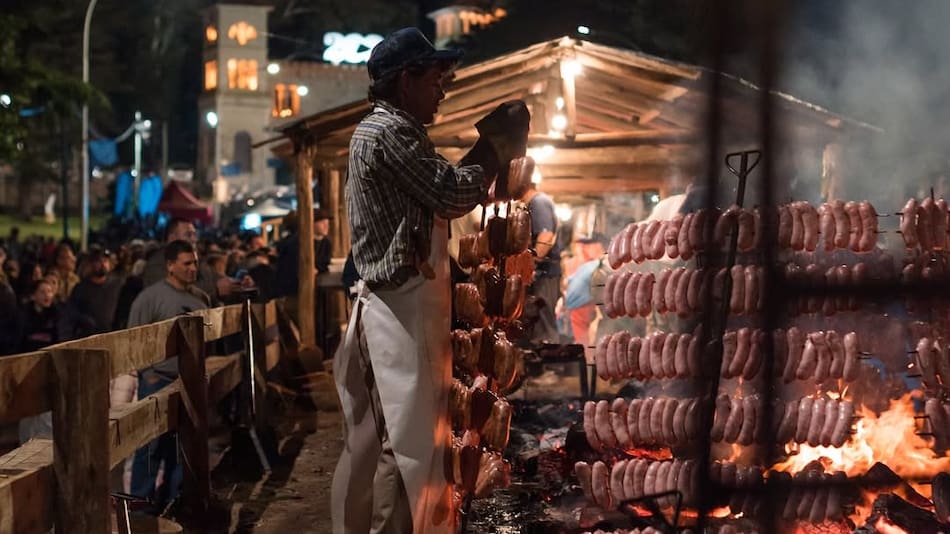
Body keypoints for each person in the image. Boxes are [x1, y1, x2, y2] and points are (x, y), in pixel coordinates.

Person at [332, 27, 508, 534]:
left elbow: (424, 208)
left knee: (380, 442)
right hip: (397, 312)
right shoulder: (389, 132)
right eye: (436, 77)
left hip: (399, 308)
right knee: (405, 449)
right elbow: (449, 194)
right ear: (405, 79)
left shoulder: (388, 132)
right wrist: (491, 148)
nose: (443, 88)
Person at [127, 240, 210, 515]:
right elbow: (134, 337)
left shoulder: (200, 299)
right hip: (158, 380)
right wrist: (146, 374)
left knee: (180, 448)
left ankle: (174, 501)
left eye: (195, 262)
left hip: (188, 382)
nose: (192, 268)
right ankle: (140, 509)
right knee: (149, 449)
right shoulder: (150, 299)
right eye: (186, 263)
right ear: (171, 265)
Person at [143, 217, 238, 304]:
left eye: (194, 234)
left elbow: (213, 276)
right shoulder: (156, 264)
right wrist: (215, 290)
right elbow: (172, 292)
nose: (194, 239)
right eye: (188, 235)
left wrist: (238, 282)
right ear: (172, 238)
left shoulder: (197, 259)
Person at [519, 181, 562, 344]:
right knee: (537, 324)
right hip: (542, 274)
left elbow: (546, 237)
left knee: (544, 327)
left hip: (545, 275)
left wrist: (530, 264)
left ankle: (549, 367)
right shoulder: (534, 203)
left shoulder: (539, 202)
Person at [68, 247, 126, 336]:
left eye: (105, 261)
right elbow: (72, 312)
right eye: (99, 261)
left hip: (112, 335)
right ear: (91, 264)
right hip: (89, 337)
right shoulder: (81, 288)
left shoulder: (117, 285)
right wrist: (85, 321)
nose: (103, 264)